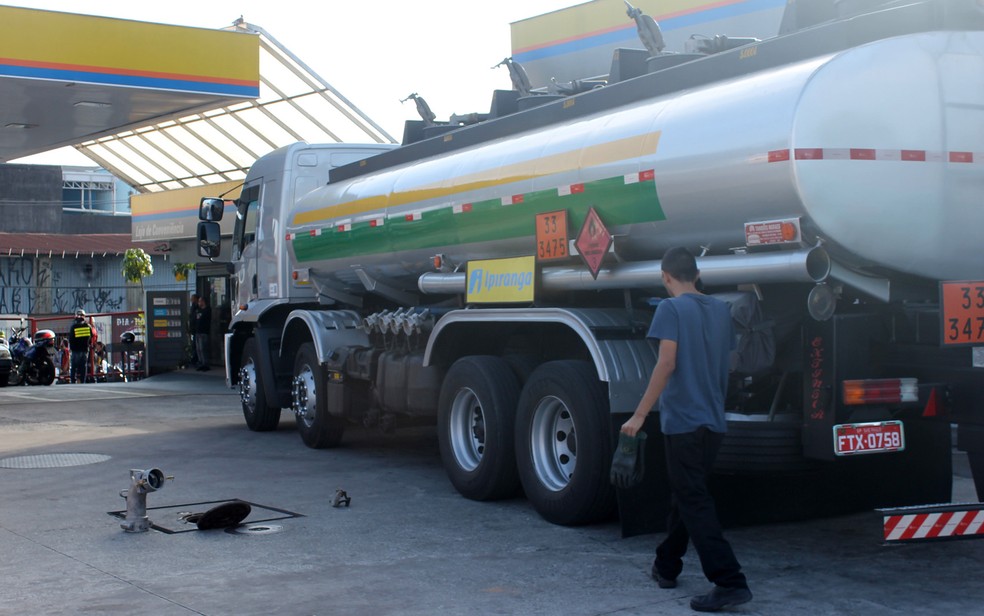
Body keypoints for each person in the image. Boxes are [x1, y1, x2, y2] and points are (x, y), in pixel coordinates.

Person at [620, 247, 752, 613]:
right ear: (695, 274)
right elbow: (726, 365)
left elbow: (666, 363)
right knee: (687, 495)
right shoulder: (721, 312)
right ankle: (666, 566)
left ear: (665, 277)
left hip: (683, 424)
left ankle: (729, 581)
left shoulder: (671, 309)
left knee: (693, 499)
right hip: (713, 423)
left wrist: (639, 415)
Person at [68, 309, 95, 384]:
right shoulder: (88, 326)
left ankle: (73, 381)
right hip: (85, 350)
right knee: (83, 366)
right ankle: (83, 381)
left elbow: (71, 338)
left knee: (74, 367)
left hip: (75, 350)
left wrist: (72, 348)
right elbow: (91, 337)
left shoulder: (74, 326)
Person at [194, 296, 211, 371]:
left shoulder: (207, 310)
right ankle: (200, 362)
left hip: (204, 331)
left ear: (203, 302)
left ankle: (205, 364)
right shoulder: (198, 310)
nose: (199, 303)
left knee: (203, 348)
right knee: (198, 349)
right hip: (198, 331)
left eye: (200, 301)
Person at [187, 293, 200, 368]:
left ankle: (195, 359)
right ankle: (194, 358)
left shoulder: (196, 307)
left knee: (196, 345)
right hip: (193, 328)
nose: (191, 299)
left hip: (195, 329)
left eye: (192, 298)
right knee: (194, 344)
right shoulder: (193, 306)